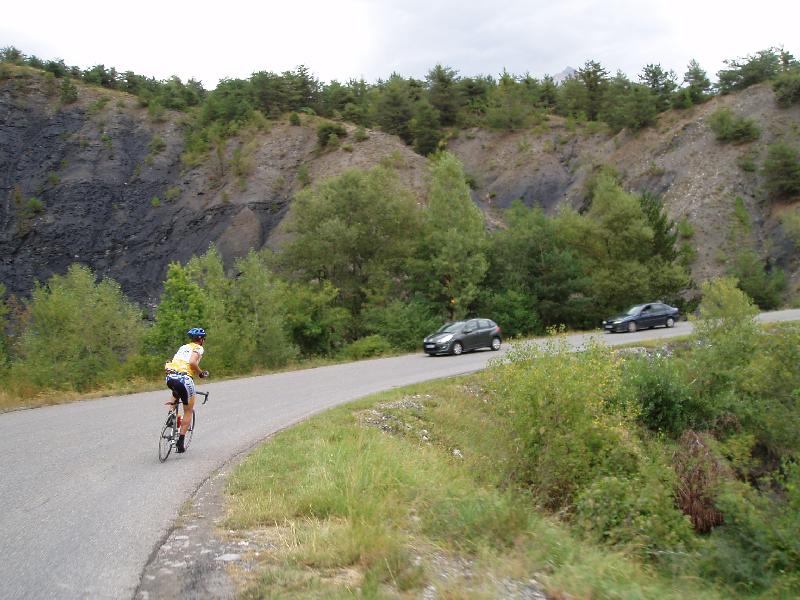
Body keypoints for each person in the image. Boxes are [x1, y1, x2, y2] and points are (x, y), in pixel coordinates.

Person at [164, 327, 209, 453]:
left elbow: (171, 362)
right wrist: (201, 373)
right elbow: (192, 362)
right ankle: (180, 442)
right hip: (185, 379)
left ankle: (171, 415)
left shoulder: (183, 347)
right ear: (201, 340)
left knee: (175, 391)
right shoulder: (198, 348)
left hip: (170, 377)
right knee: (188, 410)